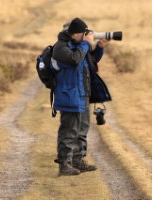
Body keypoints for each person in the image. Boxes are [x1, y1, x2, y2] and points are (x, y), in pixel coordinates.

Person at [52, 17, 111, 176]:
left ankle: (78, 160)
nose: (86, 36)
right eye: (83, 33)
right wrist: (86, 44)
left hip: (83, 94)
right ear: (74, 34)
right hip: (69, 95)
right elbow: (74, 59)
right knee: (69, 131)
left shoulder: (79, 46)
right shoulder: (60, 48)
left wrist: (99, 48)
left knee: (82, 129)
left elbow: (90, 62)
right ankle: (64, 165)